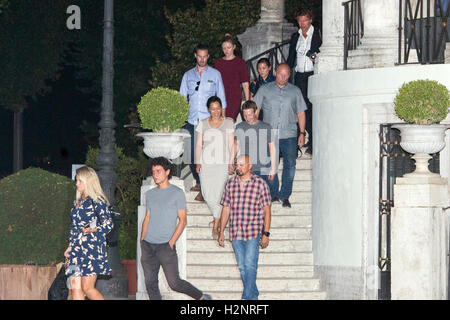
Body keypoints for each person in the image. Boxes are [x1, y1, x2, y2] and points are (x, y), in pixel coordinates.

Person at [140, 157, 212, 300]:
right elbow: (147, 217)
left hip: (165, 246)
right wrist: (142, 239)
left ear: (167, 172)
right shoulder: (150, 194)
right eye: (153, 172)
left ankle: (201, 297)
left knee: (174, 283)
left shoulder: (177, 193)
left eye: (158, 171)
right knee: (150, 283)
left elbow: (183, 220)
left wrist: (171, 242)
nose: (155, 174)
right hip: (148, 245)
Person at [218, 155, 271, 300]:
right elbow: (226, 208)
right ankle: (253, 295)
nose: (238, 167)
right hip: (235, 232)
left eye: (242, 164)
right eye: (237, 164)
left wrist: (266, 233)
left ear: (249, 166)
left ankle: (246, 298)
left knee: (250, 265)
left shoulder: (260, 184)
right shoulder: (230, 184)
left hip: (253, 232)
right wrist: (221, 231)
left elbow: (267, 210)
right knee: (242, 267)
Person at [254, 63, 307, 208]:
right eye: (280, 74)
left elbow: (301, 113)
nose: (283, 77)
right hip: (269, 134)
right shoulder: (264, 89)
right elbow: (255, 110)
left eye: (286, 75)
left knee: (290, 165)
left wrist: (302, 133)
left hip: (289, 134)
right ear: (275, 72)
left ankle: (285, 195)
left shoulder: (295, 91)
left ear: (289, 75)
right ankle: (273, 194)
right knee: (269, 165)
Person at [180, 43, 227, 201]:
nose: (202, 59)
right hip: (192, 121)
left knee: (208, 155)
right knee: (193, 155)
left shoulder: (215, 74)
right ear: (195, 56)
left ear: (208, 56)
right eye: (199, 56)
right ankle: (200, 182)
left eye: (205, 56)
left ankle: (204, 186)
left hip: (210, 121)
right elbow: (181, 99)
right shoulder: (187, 76)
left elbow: (222, 99)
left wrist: (223, 122)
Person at [64, 166, 113, 300]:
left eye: (80, 181)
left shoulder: (97, 201)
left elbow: (108, 224)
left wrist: (93, 229)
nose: (76, 184)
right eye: (76, 180)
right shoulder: (77, 202)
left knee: (87, 288)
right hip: (76, 249)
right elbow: (74, 227)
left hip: (91, 249)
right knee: (75, 289)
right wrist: (69, 246)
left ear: (88, 181)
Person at [195, 96, 235, 238]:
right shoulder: (203, 123)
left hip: (222, 163)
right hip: (206, 162)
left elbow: (231, 145)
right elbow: (199, 144)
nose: (216, 111)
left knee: (219, 193)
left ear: (221, 108)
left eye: (218, 108)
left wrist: (231, 162)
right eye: (213, 108)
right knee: (207, 193)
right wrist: (197, 161)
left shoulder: (229, 122)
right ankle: (217, 217)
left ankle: (217, 223)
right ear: (209, 110)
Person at [287, 8, 322, 155]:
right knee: (301, 109)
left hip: (313, 74)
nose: (302, 23)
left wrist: (314, 56)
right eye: (299, 21)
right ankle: (310, 135)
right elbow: (291, 57)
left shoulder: (318, 34)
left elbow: (321, 52)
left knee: (313, 108)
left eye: (304, 20)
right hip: (300, 76)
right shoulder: (296, 36)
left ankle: (315, 139)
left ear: (310, 20)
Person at [235, 100, 278, 200]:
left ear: (255, 112)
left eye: (250, 115)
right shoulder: (240, 127)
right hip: (248, 168)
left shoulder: (266, 127)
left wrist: (273, 168)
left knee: (267, 197)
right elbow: (236, 145)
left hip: (264, 167)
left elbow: (272, 148)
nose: (247, 118)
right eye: (245, 115)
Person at [214, 34, 250, 121]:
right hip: (220, 96)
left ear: (234, 47)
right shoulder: (218, 63)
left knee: (230, 121)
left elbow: (245, 83)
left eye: (229, 47)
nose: (226, 50)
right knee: (219, 121)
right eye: (224, 48)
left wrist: (247, 102)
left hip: (234, 97)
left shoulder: (240, 62)